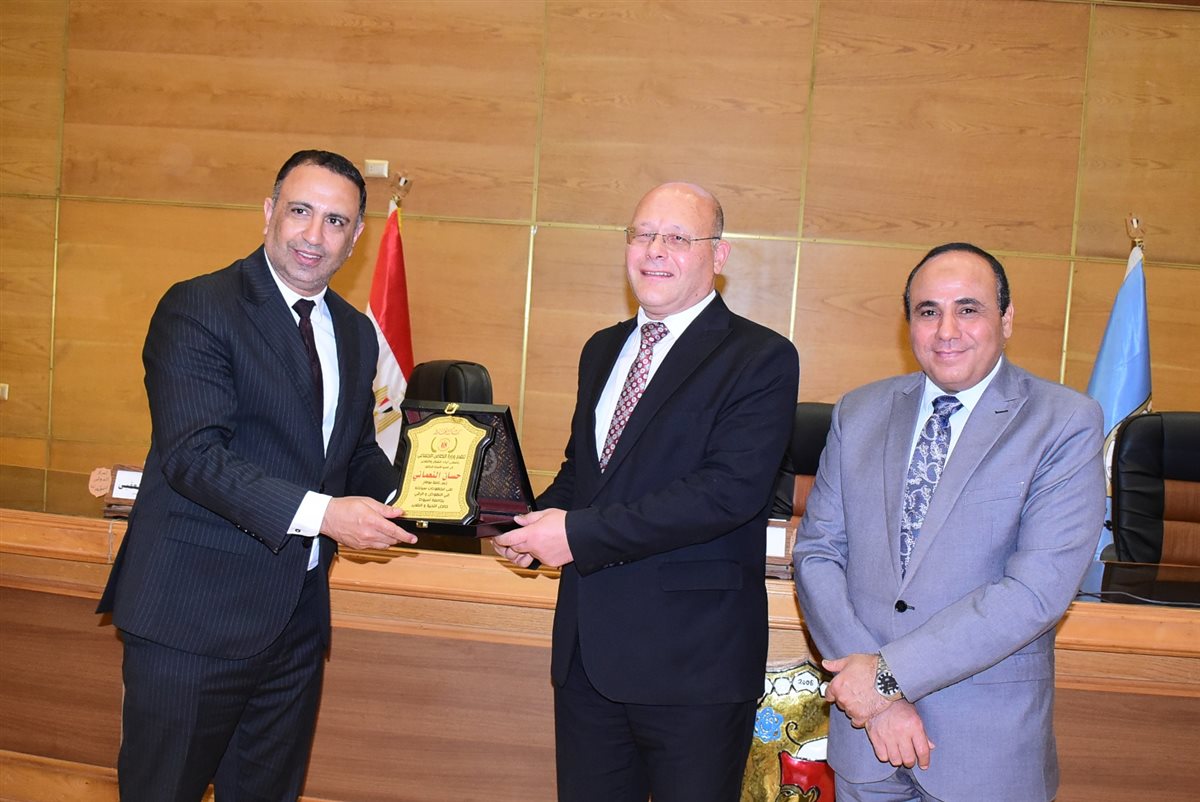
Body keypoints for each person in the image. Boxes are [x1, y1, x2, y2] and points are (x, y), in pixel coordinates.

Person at [96, 149, 416, 801]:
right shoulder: (199, 307)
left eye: (335, 221)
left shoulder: (355, 333)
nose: (314, 235)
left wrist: (429, 500)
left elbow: (353, 453)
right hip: (191, 619)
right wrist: (326, 514)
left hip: (295, 625)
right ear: (269, 211)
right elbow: (194, 457)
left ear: (356, 236)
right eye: (300, 211)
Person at [493, 183, 799, 802]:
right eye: (643, 234)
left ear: (719, 255)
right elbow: (585, 474)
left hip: (693, 664)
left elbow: (726, 494)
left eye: (678, 237)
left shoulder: (761, 357)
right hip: (588, 658)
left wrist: (574, 535)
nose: (655, 250)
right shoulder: (602, 348)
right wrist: (523, 522)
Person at [792, 242, 1105, 802]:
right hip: (866, 745)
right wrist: (874, 699)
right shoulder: (859, 411)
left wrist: (885, 677)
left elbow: (1034, 593)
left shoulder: (1063, 422)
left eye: (969, 309)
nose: (946, 331)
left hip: (985, 751)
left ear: (1006, 320)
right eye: (928, 311)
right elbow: (818, 553)